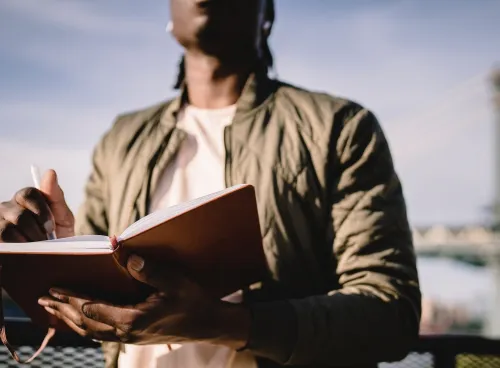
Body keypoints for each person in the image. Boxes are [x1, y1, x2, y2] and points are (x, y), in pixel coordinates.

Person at [0, 0, 421, 367]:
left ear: (266, 14)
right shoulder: (121, 139)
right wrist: (42, 253)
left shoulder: (339, 128)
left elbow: (391, 313)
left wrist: (220, 323)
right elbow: (76, 312)